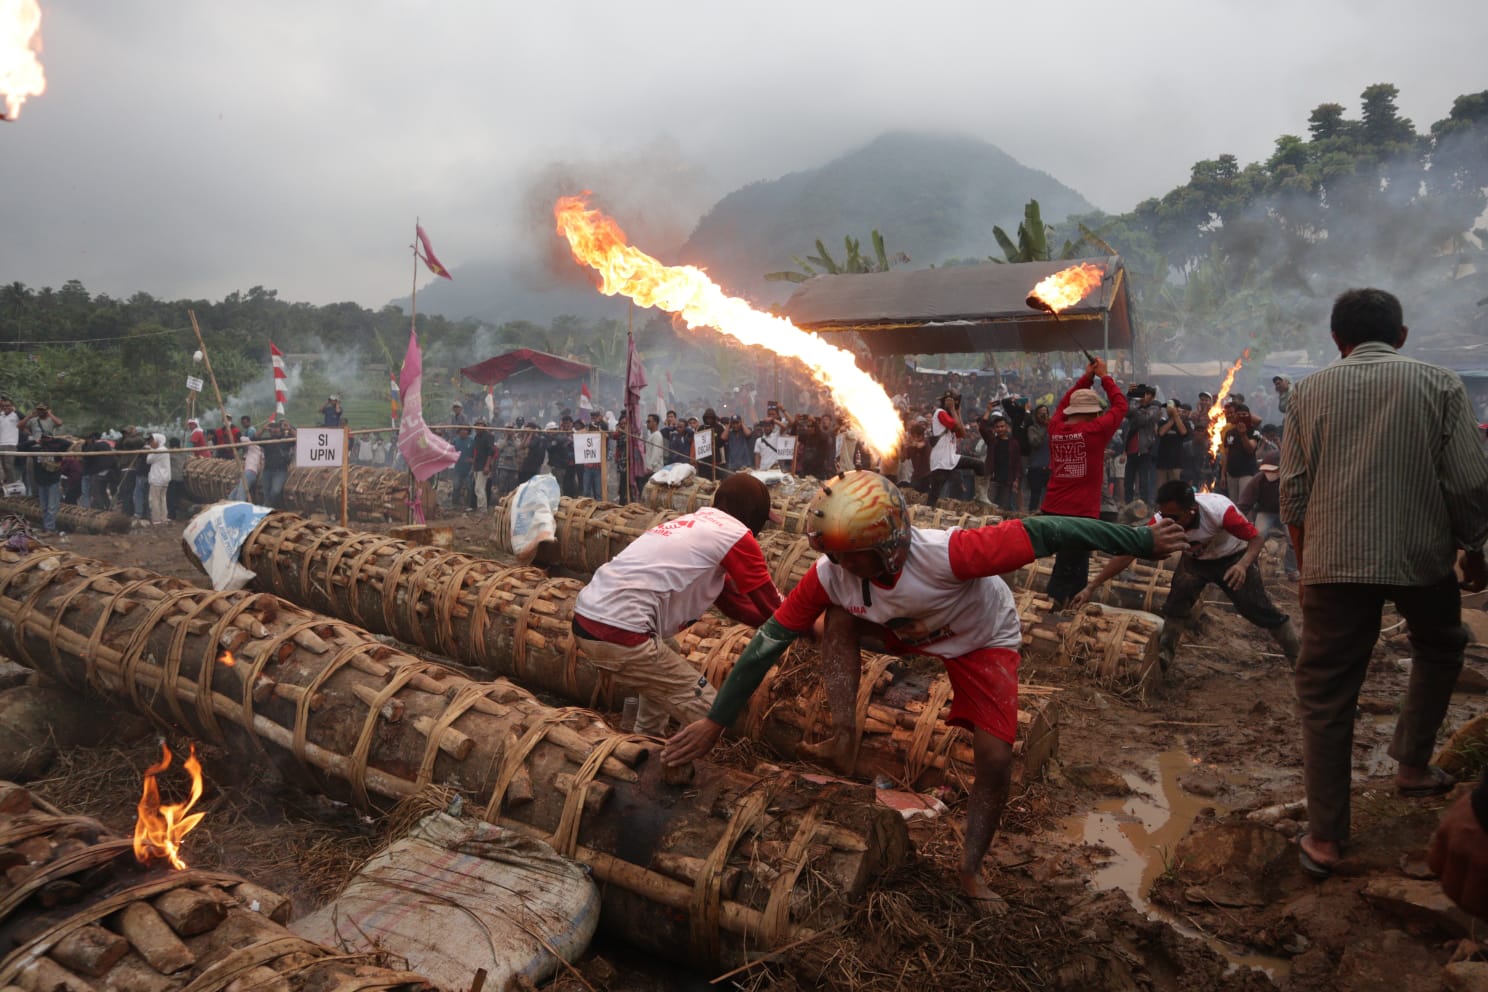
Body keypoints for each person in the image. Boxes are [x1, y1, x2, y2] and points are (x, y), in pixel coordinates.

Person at [663, 471, 1187, 906]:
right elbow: (769, 640)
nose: (842, 567)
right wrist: (716, 721)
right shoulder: (833, 573)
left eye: (853, 556)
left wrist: (1140, 540)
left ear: (889, 544)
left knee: (996, 760)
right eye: (834, 555)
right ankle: (845, 737)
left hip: (977, 638)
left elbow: (1048, 530)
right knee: (838, 621)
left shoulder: (953, 555)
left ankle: (970, 872)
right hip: (902, 631)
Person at [1281, 287, 1488, 879]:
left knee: (1325, 694)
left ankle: (1324, 840)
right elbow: (1470, 482)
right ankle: (1412, 764)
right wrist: (1474, 547)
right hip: (1422, 555)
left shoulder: (1308, 390)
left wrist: (1304, 565)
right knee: (1442, 644)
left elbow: (1293, 491)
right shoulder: (1441, 384)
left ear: (1337, 341)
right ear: (1401, 336)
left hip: (1333, 561)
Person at [572, 473, 783, 736]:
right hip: (619, 631)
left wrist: (773, 624)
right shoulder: (736, 535)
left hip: (586, 617)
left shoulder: (695, 525)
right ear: (751, 513)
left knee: (668, 647)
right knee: (711, 713)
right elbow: (775, 608)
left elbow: (733, 604)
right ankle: (674, 767)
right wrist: (805, 626)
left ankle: (648, 737)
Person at [1073, 479, 1300, 670]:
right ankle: (1164, 658)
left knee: (1258, 609)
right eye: (1164, 515)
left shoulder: (1220, 511)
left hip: (1233, 557)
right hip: (1196, 561)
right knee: (1175, 605)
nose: (1167, 521)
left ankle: (1298, 657)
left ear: (1190, 510)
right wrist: (1092, 586)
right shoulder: (1162, 520)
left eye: (1174, 517)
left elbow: (1257, 538)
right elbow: (1130, 552)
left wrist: (1243, 565)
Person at [1041, 358, 1127, 606]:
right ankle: (1057, 606)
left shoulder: (1055, 427)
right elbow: (1120, 406)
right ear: (1092, 414)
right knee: (1071, 564)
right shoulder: (1095, 431)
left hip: (1052, 508)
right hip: (1079, 513)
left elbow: (1062, 404)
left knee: (1072, 561)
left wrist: (1086, 378)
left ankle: (1067, 605)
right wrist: (1104, 377)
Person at [1238, 461, 1298, 580]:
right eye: (1267, 471)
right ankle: (1251, 568)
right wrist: (1237, 519)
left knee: (1293, 538)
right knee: (1257, 537)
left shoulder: (1288, 479)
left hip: (1286, 511)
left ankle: (1292, 570)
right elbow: (1245, 502)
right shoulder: (1258, 480)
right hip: (1265, 512)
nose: (1269, 473)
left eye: (1272, 470)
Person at [925, 390, 973, 508]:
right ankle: (928, 513)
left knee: (958, 487)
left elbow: (962, 433)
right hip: (941, 462)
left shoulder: (952, 415)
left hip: (950, 460)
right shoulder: (940, 412)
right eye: (953, 402)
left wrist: (958, 412)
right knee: (935, 494)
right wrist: (952, 409)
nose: (956, 404)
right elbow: (956, 426)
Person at [20, 433, 70, 534]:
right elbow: (20, 447)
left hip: (53, 481)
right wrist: (35, 441)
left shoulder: (56, 449)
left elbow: (68, 443)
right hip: (41, 481)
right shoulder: (36, 450)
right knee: (44, 507)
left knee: (52, 506)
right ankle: (46, 526)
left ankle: (50, 528)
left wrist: (54, 439)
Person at [259, 421, 292, 508]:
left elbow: (299, 439)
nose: (275, 430)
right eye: (273, 428)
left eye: (276, 428)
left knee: (275, 491)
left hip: (280, 471)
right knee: (266, 492)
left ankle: (266, 506)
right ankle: (269, 508)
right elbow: (254, 438)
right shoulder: (266, 441)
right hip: (267, 470)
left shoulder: (286, 440)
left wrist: (290, 429)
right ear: (270, 430)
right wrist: (262, 429)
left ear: (280, 429)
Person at [145, 433, 170, 525]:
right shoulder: (165, 449)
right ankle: (164, 518)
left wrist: (150, 449)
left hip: (157, 478)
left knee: (154, 500)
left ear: (158, 441)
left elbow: (148, 460)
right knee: (162, 499)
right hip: (165, 478)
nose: (151, 443)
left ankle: (156, 519)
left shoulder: (159, 450)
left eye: (152, 441)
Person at [0, 396, 19, 492]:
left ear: (12, 406)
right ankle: (3, 487)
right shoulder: (1, 415)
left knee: (9, 466)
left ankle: (12, 487)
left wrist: (16, 410)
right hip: (0, 444)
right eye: (3, 406)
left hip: (11, 444)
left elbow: (25, 418)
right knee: (1, 468)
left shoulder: (15, 415)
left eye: (8, 406)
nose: (5, 407)